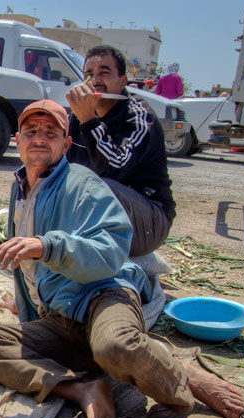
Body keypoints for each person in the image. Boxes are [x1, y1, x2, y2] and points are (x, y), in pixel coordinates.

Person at [0, 99, 244, 418]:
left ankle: (179, 372)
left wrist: (47, 245)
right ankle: (82, 389)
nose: (39, 138)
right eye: (31, 131)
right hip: (61, 318)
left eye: (51, 132)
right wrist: (26, 307)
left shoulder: (83, 184)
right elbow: (29, 270)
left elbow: (110, 252)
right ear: (16, 140)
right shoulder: (20, 188)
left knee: (116, 347)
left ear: (66, 144)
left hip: (102, 295)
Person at [66, 45, 174, 258]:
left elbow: (112, 169)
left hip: (146, 220)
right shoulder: (78, 115)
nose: (95, 80)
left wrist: (89, 119)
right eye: (89, 74)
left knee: (98, 185)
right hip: (101, 216)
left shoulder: (140, 118)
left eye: (104, 73)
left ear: (123, 81)